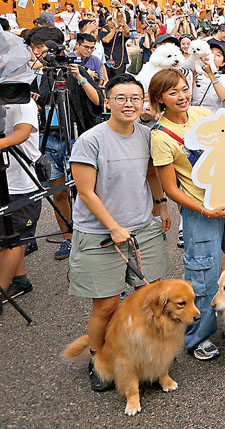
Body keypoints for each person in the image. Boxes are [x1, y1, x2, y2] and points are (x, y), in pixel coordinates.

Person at [68, 75, 170, 389]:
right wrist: (112, 227)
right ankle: (99, 357)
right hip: (100, 234)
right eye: (121, 98)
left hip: (143, 229)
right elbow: (86, 192)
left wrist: (161, 204)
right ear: (108, 101)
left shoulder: (147, 135)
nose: (129, 104)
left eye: (135, 98)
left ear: (144, 103)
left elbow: (152, 173)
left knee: (149, 297)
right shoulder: (91, 139)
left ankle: (146, 354)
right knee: (107, 304)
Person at [149, 68, 225, 360]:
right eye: (173, 92)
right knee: (204, 276)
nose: (182, 96)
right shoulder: (160, 137)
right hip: (200, 212)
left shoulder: (202, 115)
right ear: (159, 98)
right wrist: (205, 209)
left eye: (184, 89)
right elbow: (170, 188)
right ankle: (198, 335)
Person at [34, 36, 105, 261]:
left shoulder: (77, 71)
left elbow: (98, 101)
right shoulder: (38, 77)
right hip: (51, 136)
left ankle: (90, 233)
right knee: (60, 192)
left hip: (76, 134)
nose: (44, 56)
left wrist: (79, 77)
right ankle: (68, 237)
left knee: (85, 190)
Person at [0, 93, 41, 314]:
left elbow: (22, 133)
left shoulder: (22, 100)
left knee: (13, 240)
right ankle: (20, 279)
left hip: (22, 184)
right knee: (8, 237)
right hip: (5, 182)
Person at [190, 43, 225, 111]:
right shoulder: (195, 74)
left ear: (223, 63)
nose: (213, 56)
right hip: (195, 116)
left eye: (218, 55)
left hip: (215, 118)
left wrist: (210, 73)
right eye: (210, 52)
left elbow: (223, 96)